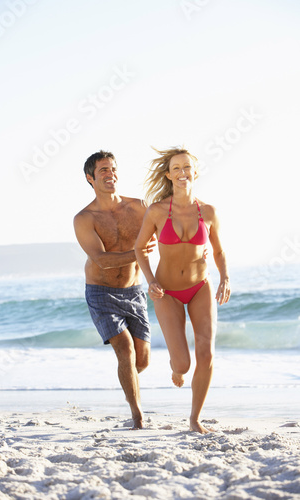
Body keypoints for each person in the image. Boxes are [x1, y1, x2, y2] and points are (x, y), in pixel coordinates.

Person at [135, 146, 231, 434]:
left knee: (207, 353)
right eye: (176, 168)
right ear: (168, 175)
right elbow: (139, 248)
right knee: (184, 363)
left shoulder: (210, 212)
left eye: (187, 167)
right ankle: (175, 368)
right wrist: (150, 280)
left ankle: (195, 419)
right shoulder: (157, 211)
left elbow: (219, 251)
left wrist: (225, 277)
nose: (182, 173)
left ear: (195, 172)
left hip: (200, 286)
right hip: (167, 292)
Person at [73, 150, 156, 429]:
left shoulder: (140, 207)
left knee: (140, 361)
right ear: (90, 178)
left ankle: (127, 384)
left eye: (113, 169)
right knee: (125, 349)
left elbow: (166, 236)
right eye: (103, 171)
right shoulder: (84, 218)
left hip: (134, 291)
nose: (110, 175)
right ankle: (137, 416)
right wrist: (139, 253)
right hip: (102, 291)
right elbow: (101, 260)